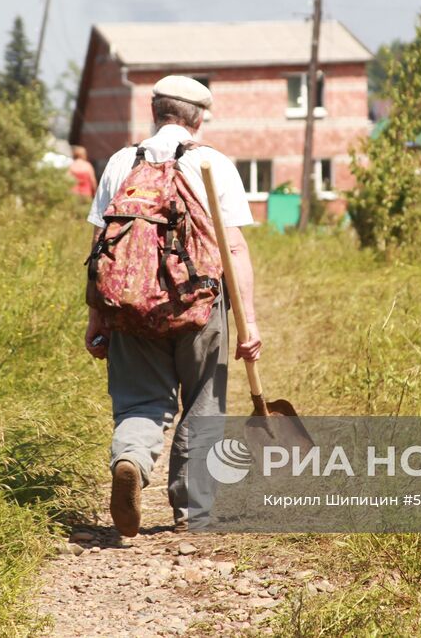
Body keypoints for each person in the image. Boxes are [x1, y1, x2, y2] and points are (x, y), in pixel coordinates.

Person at [85, 75, 263, 536]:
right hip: (200, 303)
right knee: (204, 401)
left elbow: (101, 247)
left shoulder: (122, 162)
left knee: (140, 401)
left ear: (155, 112)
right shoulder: (213, 164)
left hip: (130, 304)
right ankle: (193, 512)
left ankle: (130, 458)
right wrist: (249, 324)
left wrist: (98, 316)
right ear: (198, 118)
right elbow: (235, 250)